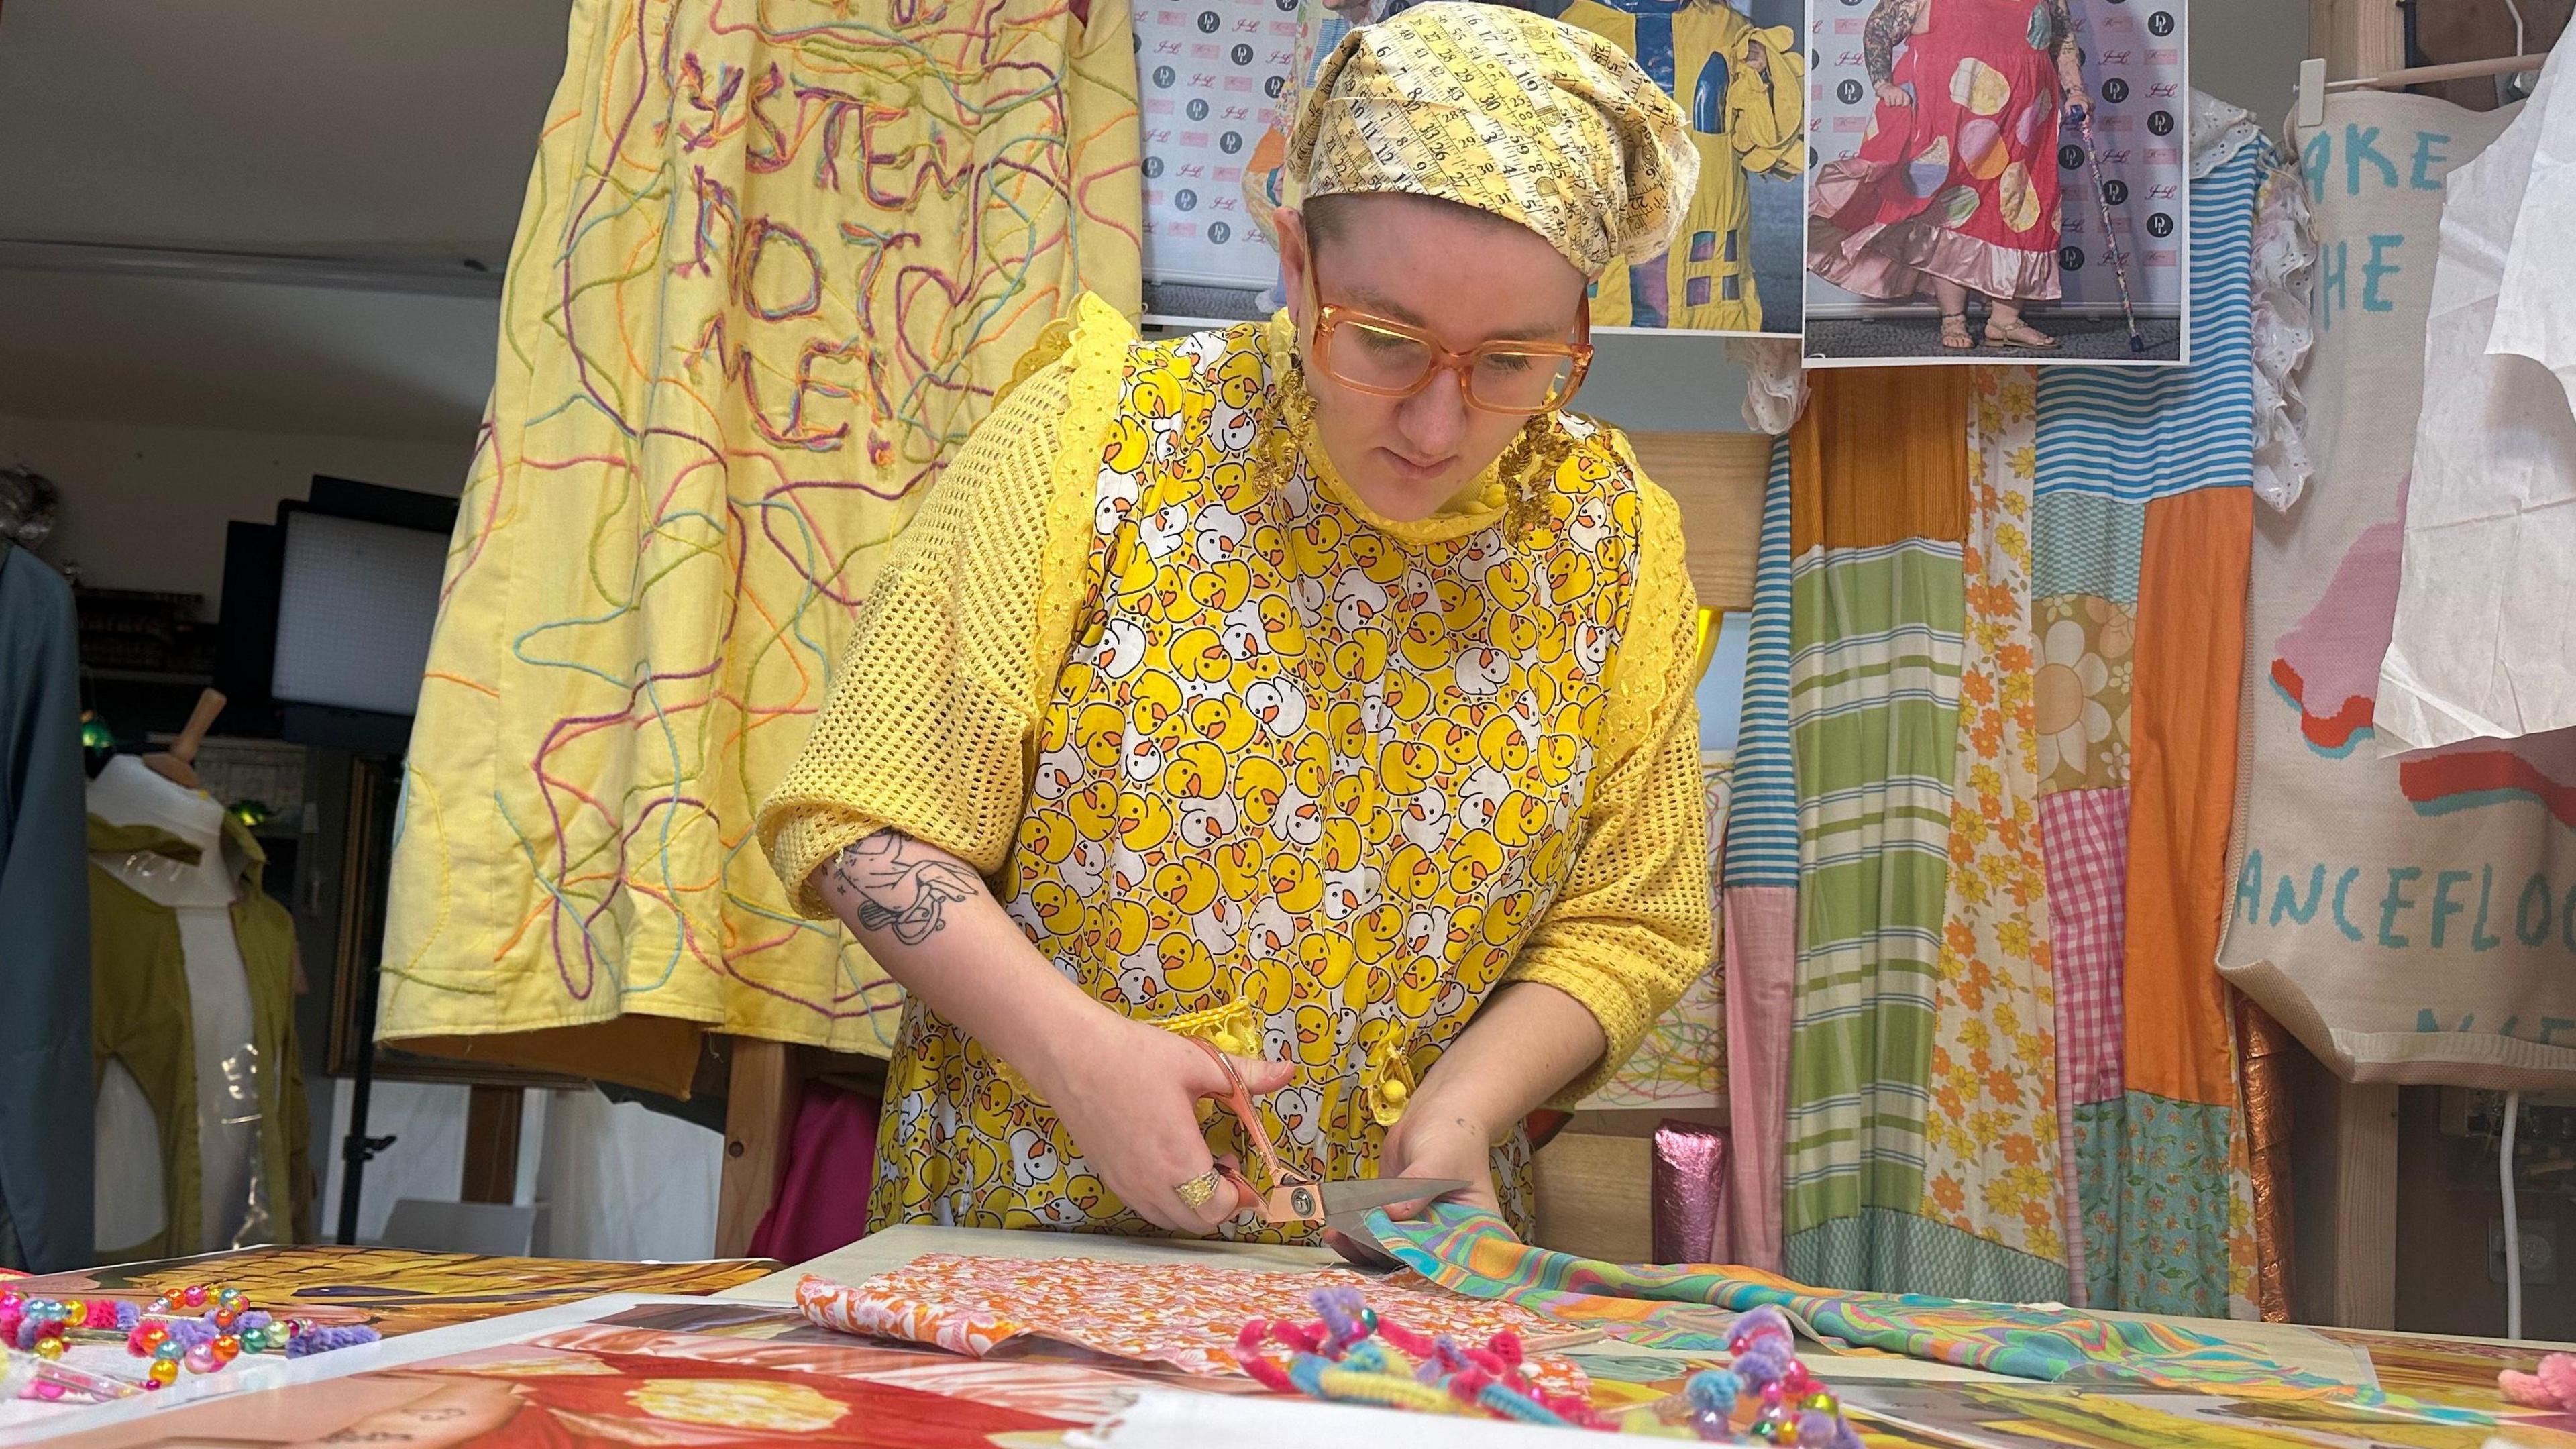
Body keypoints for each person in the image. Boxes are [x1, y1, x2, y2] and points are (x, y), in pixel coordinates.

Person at [757, 1, 1713, 1246]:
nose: (1435, 425)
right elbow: (868, 827)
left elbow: (1632, 918)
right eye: (1382, 341)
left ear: (1579, 334)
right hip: (1025, 1236)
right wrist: (1076, 1055)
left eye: (1511, 366)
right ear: (1294, 261)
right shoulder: (1092, 449)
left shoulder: (1609, 536)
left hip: (1390, 1273)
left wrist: (1469, 1107)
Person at [1807, 0, 2090, 351]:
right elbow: (1880, 28)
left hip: (2026, 119)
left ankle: (2005, 321)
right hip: (1948, 117)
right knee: (1950, 213)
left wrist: (2075, 89)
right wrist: (1882, 84)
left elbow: (2061, 37)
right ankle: (1953, 318)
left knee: (2022, 211)